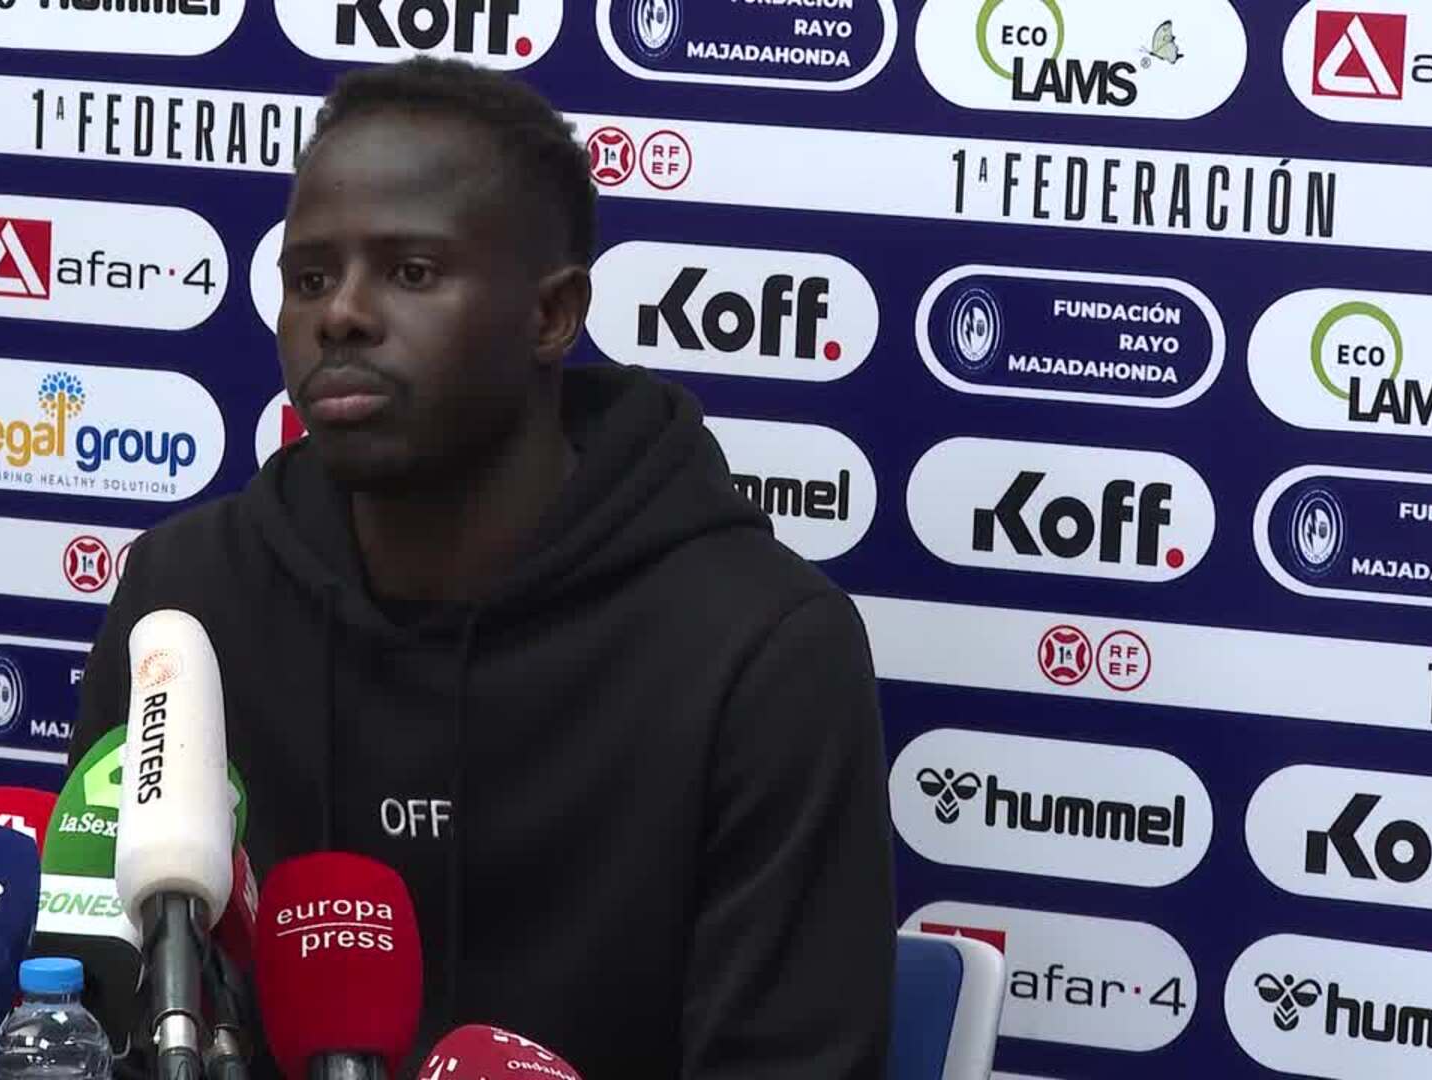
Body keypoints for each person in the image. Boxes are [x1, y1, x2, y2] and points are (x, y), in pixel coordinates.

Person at [68, 57, 894, 1079]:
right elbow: (100, 1013)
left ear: (553, 315)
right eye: (309, 279)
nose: (341, 316)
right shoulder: (185, 601)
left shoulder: (761, 650)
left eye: (411, 272)